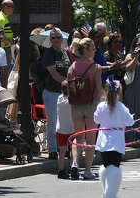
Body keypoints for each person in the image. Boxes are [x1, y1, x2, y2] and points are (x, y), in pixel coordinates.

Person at [94, 79, 135, 198]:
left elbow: (96, 119)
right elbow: (130, 122)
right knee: (114, 167)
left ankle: (108, 194)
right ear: (119, 92)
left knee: (107, 166)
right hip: (116, 141)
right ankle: (110, 196)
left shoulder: (101, 106)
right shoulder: (121, 107)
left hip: (104, 140)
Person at [67, 37, 102, 180]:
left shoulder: (72, 67)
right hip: (90, 104)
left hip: (75, 104)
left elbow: (69, 88)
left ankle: (74, 163)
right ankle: (87, 170)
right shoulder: (95, 67)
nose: (95, 51)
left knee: (78, 137)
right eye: (93, 48)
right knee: (91, 139)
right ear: (87, 50)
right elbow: (98, 90)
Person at [39, 28, 71, 161]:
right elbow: (53, 73)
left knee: (66, 122)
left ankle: (66, 148)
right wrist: (67, 83)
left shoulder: (65, 53)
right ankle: (52, 150)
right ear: (50, 40)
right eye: (53, 38)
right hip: (52, 92)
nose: (57, 40)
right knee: (52, 123)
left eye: (58, 37)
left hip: (65, 93)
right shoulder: (48, 53)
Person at [55, 79, 78, 180]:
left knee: (61, 151)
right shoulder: (71, 101)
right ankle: (72, 166)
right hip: (71, 129)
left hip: (60, 129)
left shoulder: (59, 99)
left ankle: (61, 170)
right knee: (73, 149)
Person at [0, 0, 15, 65]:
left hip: (5, 48)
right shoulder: (1, 19)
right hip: (4, 48)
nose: (13, 9)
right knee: (5, 71)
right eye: (12, 6)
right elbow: (0, 37)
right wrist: (11, 42)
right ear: (5, 7)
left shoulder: (3, 17)